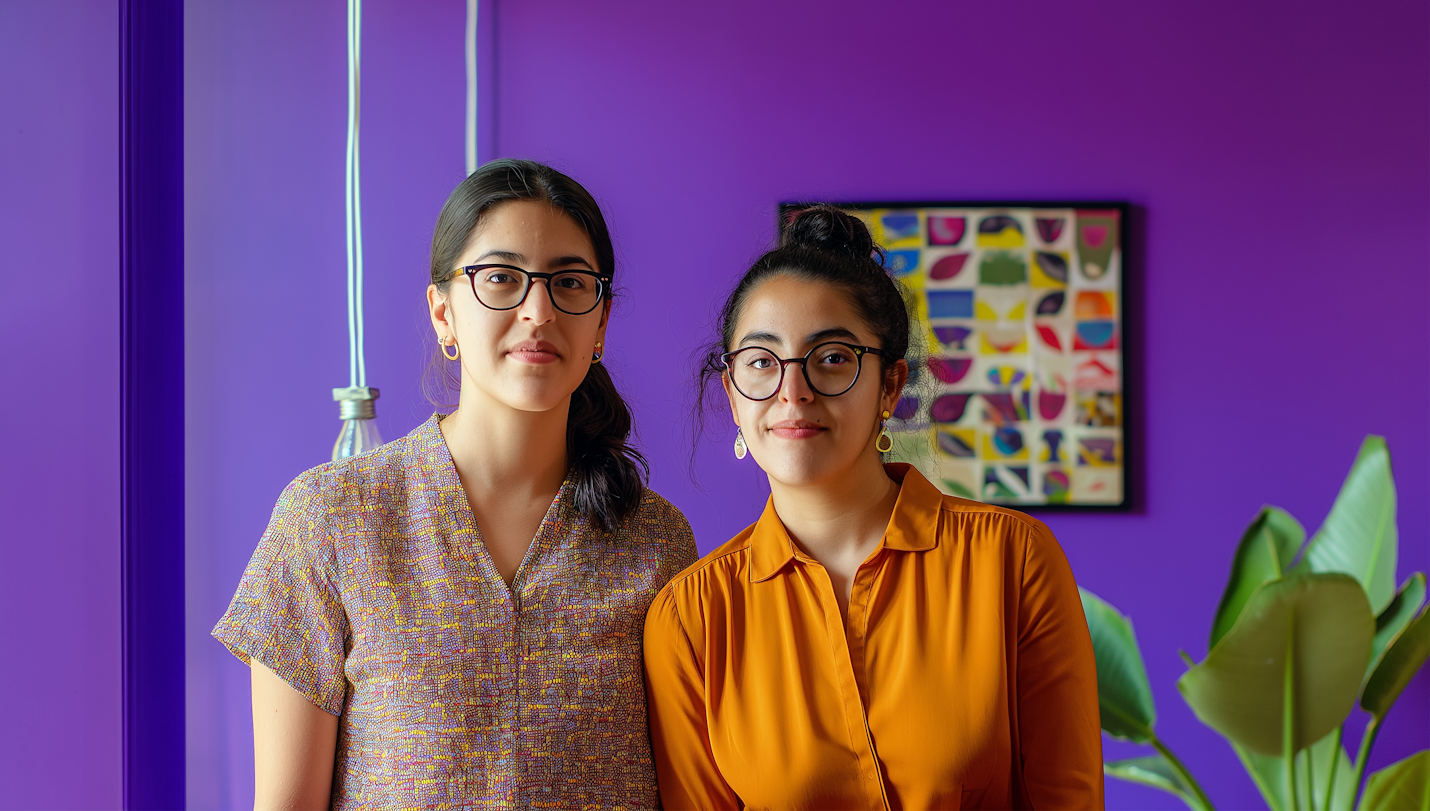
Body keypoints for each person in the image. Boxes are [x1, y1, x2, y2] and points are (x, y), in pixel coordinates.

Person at [214, 159, 698, 810]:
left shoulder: (655, 538)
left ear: (601, 322)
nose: (538, 310)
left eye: (569, 283)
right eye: (500, 278)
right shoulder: (329, 518)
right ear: (443, 314)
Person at [643, 205, 1102, 810]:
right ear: (732, 395)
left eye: (831, 357)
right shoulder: (692, 619)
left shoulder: (1012, 560)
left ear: (889, 386)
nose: (793, 390)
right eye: (761, 361)